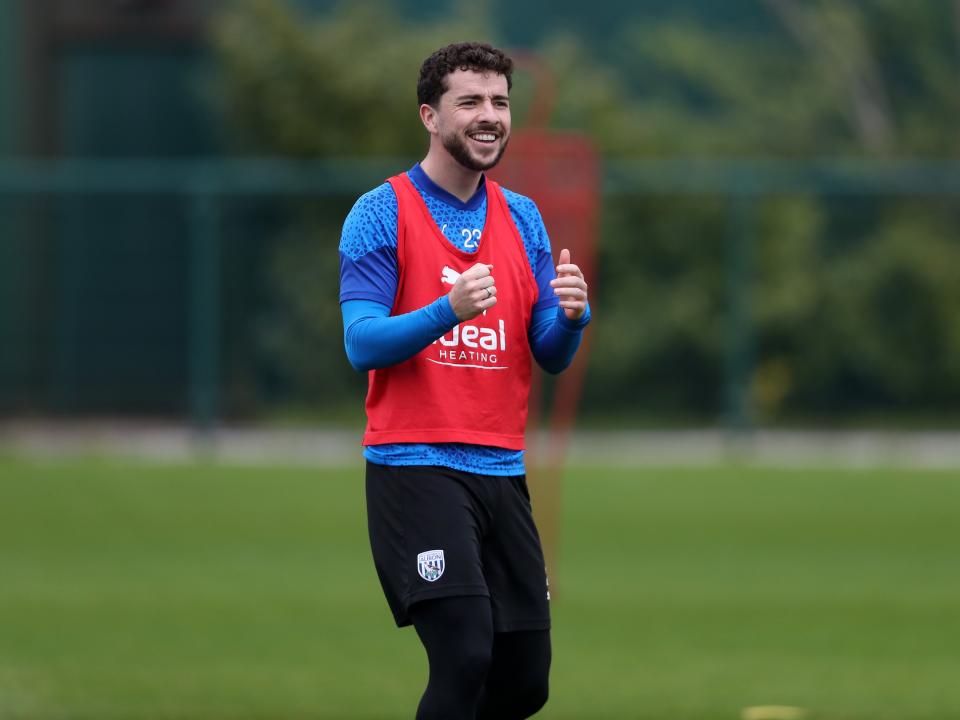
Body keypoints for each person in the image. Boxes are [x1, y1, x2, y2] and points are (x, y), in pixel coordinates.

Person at [338, 41, 591, 720]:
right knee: (464, 653)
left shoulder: (524, 219)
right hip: (414, 466)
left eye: (501, 103)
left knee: (525, 679)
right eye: (470, 101)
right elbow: (361, 343)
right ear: (429, 114)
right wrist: (446, 311)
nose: (490, 116)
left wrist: (571, 317)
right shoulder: (380, 211)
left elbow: (548, 351)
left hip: (502, 471)